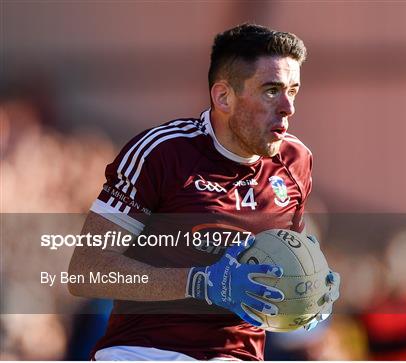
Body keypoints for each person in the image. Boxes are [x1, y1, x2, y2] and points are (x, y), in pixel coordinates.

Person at [68, 23, 340, 361]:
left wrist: (306, 292)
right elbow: (86, 271)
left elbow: (276, 271)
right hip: (145, 352)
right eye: (271, 90)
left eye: (293, 90)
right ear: (223, 96)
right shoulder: (162, 152)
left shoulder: (296, 160)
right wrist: (202, 282)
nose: (288, 107)